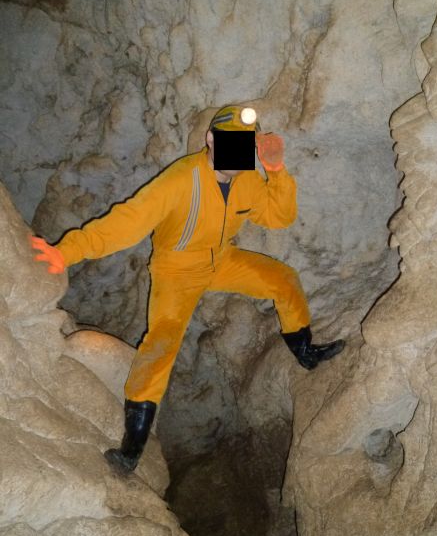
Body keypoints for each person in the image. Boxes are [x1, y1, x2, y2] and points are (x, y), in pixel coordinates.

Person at [30, 104, 345, 474]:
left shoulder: (246, 179)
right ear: (211, 139)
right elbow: (125, 222)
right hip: (176, 271)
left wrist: (276, 171)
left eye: (246, 144)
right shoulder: (180, 180)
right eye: (230, 141)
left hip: (221, 260)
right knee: (160, 345)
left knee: (283, 279)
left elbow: (280, 217)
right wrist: (67, 251)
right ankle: (132, 447)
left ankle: (304, 351)